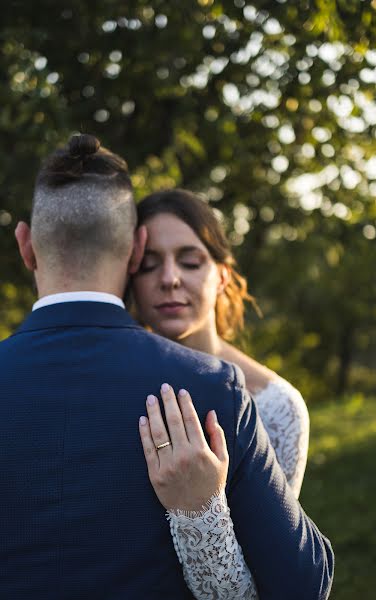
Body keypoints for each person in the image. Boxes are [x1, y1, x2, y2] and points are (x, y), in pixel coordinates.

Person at [0, 134, 333, 599]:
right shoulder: (211, 389)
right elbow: (302, 584)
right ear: (136, 252)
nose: (170, 279)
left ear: (25, 245)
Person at [131, 188, 309, 499]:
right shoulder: (112, 381)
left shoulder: (277, 406)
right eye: (149, 264)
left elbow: (275, 544)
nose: (170, 278)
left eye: (190, 261)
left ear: (223, 276)